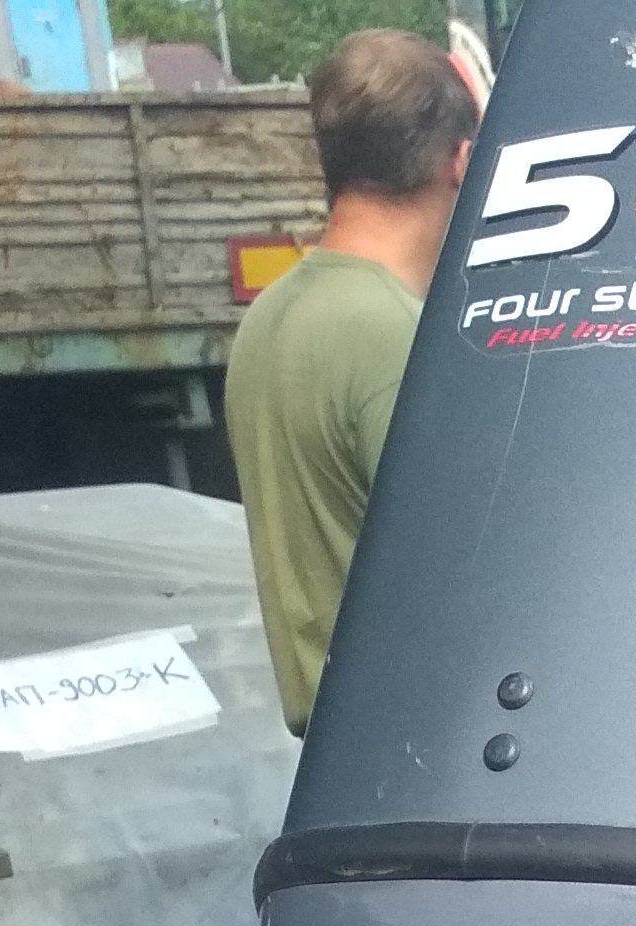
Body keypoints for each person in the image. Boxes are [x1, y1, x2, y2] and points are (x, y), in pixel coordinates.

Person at [225, 31, 477, 734]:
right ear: (460, 161)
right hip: (415, 743)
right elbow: (466, 574)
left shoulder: (269, 317)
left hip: (334, 755)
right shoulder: (392, 335)